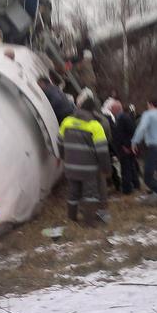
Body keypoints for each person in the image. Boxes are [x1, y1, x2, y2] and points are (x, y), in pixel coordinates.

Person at [58, 90, 112, 224]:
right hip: (88, 169)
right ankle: (89, 222)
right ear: (93, 110)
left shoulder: (66, 121)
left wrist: (63, 157)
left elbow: (59, 142)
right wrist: (106, 168)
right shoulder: (95, 126)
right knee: (90, 195)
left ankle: (72, 219)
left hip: (70, 166)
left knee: (73, 193)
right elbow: (102, 151)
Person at [131, 98, 157, 205]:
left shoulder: (148, 114)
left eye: (148, 105)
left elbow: (142, 128)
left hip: (154, 147)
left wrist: (135, 141)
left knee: (148, 177)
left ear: (151, 104)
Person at [111, 101, 140, 194]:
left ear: (117, 109)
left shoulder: (122, 118)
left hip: (125, 148)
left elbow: (123, 133)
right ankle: (136, 184)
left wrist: (126, 146)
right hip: (128, 147)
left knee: (126, 169)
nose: (111, 110)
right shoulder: (125, 117)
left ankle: (127, 189)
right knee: (131, 167)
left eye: (112, 108)